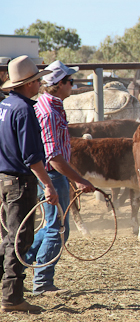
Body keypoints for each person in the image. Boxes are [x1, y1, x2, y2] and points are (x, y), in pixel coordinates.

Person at [25, 60, 95, 297]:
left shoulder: (48, 106)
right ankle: (42, 282)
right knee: (58, 228)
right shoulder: (50, 112)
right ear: (59, 84)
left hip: (49, 175)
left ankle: (17, 266)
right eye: (70, 81)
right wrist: (81, 180)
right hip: (52, 175)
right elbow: (53, 157)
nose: (73, 85)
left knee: (50, 226)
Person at [0, 56, 59, 314]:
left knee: (6, 239)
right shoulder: (24, 110)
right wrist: (48, 185)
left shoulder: (4, 106)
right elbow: (32, 156)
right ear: (28, 84)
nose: (39, 83)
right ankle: (12, 299)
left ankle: (7, 291)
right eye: (36, 80)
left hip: (4, 179)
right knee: (20, 239)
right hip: (19, 182)